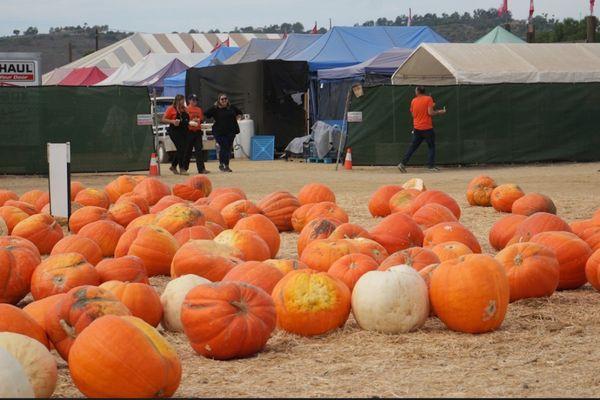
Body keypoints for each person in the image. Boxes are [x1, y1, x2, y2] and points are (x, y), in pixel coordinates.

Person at [398, 86, 446, 173]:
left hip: (417, 128)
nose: (415, 92)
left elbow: (413, 114)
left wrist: (429, 106)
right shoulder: (428, 99)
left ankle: (402, 164)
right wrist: (439, 111)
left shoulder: (413, 100)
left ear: (418, 92)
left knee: (412, 147)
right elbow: (430, 113)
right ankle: (431, 166)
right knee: (431, 147)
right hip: (427, 128)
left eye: (415, 90)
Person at [204, 93, 243, 172]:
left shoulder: (231, 107)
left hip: (231, 131)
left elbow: (240, 112)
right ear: (219, 100)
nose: (224, 100)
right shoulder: (215, 108)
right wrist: (214, 108)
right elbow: (206, 113)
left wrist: (238, 117)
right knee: (224, 146)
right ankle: (226, 165)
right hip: (219, 132)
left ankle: (222, 164)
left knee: (227, 148)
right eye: (222, 99)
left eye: (225, 99)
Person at [161, 94, 190, 175]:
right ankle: (182, 168)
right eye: (182, 100)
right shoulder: (171, 109)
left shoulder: (185, 109)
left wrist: (191, 121)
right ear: (177, 100)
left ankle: (173, 166)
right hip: (174, 131)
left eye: (183, 100)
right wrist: (172, 121)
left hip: (184, 130)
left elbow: (186, 119)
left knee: (183, 148)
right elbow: (163, 119)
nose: (183, 102)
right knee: (181, 147)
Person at [183, 94, 209, 174]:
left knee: (199, 151)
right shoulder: (186, 109)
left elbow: (201, 119)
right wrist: (190, 121)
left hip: (197, 132)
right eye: (193, 100)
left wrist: (198, 121)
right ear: (189, 101)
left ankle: (201, 169)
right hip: (189, 132)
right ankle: (184, 168)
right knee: (188, 151)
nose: (194, 102)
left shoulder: (199, 109)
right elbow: (184, 120)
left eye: (196, 100)